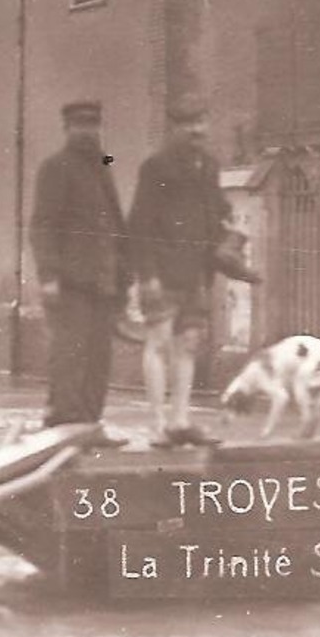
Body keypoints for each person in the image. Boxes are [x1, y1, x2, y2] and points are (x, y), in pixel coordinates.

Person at [127, 93, 228, 449]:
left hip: (196, 273)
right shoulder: (156, 168)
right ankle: (157, 425)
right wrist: (147, 275)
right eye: (189, 124)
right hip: (162, 271)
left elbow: (216, 213)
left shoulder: (210, 167)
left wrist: (226, 231)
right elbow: (139, 223)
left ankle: (180, 420)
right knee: (157, 343)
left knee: (188, 344)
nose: (198, 130)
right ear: (174, 128)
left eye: (202, 122)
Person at [29, 100, 131, 446]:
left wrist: (123, 275)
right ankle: (63, 424)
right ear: (68, 129)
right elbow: (43, 226)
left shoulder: (103, 166)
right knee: (69, 353)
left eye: (93, 126)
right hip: (70, 282)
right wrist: (49, 276)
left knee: (98, 357)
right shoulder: (55, 168)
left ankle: (89, 426)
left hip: (104, 281)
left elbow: (116, 223)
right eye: (80, 126)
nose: (88, 133)